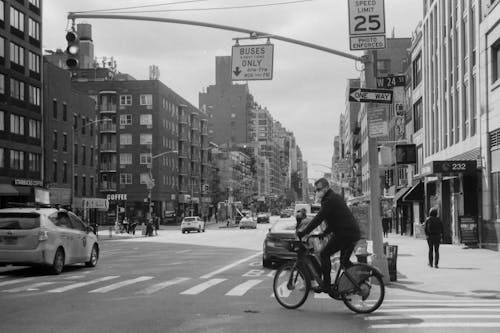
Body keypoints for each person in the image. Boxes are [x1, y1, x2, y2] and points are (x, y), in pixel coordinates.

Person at [296, 178, 361, 293]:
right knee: (344, 262)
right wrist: (324, 233)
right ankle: (358, 281)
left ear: (326, 188)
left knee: (324, 254)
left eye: (319, 189)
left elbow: (319, 218)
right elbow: (335, 220)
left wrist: (304, 232)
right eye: (316, 190)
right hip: (349, 232)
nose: (317, 191)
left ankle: (326, 285)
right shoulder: (332, 198)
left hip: (345, 234)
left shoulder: (330, 200)